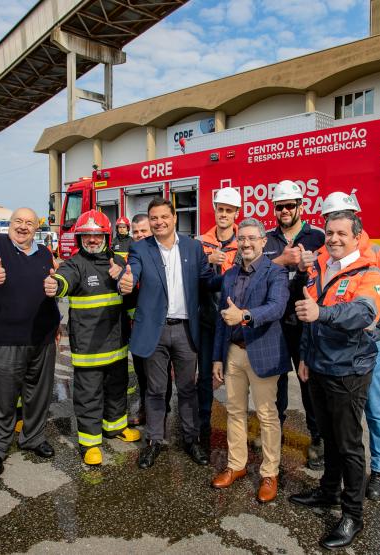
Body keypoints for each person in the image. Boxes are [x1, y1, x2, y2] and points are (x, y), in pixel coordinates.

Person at [289, 209, 380, 549]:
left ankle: (353, 516)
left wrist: (323, 313)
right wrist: (304, 356)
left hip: (348, 371)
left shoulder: (370, 271)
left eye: (341, 233)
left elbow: (362, 312)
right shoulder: (320, 267)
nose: (333, 238)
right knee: (328, 437)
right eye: (329, 232)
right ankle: (328, 492)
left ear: (357, 236)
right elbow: (306, 314)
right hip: (317, 367)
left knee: (348, 446)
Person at [319, 191, 380, 501]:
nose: (334, 229)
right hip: (335, 350)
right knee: (342, 418)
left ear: (355, 219)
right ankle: (341, 475)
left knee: (374, 407)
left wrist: (375, 329)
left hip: (368, 345)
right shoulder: (324, 255)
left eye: (343, 216)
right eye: (330, 219)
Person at [118, 197, 217, 469]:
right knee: (156, 390)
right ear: (149, 222)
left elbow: (206, 280)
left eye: (164, 217)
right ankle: (153, 441)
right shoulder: (140, 248)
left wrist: (231, 274)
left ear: (174, 218)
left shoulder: (193, 247)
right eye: (153, 218)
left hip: (186, 330)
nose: (159, 222)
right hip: (155, 331)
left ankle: (191, 439)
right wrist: (125, 281)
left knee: (187, 389)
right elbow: (131, 274)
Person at [0, 208, 60, 477]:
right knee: (2, 398)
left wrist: (56, 322)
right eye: (18, 221)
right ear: (10, 224)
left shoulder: (43, 253)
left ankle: (33, 437)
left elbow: (49, 292)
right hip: (4, 340)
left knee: (38, 395)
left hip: (41, 339)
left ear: (36, 228)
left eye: (29, 223)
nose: (23, 227)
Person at [43, 210, 141, 465]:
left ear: (106, 237)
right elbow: (65, 280)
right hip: (88, 347)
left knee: (117, 389)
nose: (92, 240)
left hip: (117, 343)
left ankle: (114, 427)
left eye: (97, 235)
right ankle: (90, 443)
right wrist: (56, 285)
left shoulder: (118, 261)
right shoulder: (75, 264)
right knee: (89, 395)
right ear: (80, 238)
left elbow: (129, 297)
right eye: (86, 235)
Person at [210, 218, 289, 503]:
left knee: (267, 416)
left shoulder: (275, 272)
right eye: (241, 238)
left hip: (263, 352)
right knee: (234, 412)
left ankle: (270, 472)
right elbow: (222, 320)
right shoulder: (230, 275)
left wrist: (244, 315)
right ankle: (237, 465)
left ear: (263, 241)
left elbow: (276, 308)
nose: (245, 243)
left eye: (251, 238)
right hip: (233, 353)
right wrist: (217, 358)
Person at [262, 180, 325, 468]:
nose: (285, 210)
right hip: (276, 322)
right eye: (280, 206)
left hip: (304, 321)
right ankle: (273, 433)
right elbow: (256, 272)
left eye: (290, 205)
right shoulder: (267, 239)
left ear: (301, 206)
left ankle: (317, 438)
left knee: (308, 381)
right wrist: (281, 260)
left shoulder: (317, 237)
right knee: (276, 383)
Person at [197, 187, 241, 442]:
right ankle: (203, 425)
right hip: (207, 321)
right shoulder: (201, 242)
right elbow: (192, 278)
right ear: (214, 209)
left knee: (235, 379)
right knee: (204, 376)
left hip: (234, 325)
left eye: (228, 210)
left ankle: (236, 431)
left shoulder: (243, 242)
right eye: (220, 209)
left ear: (236, 213)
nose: (223, 214)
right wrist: (207, 260)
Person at [126, 213, 171, 427]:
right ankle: (147, 409)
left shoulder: (161, 255)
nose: (139, 235)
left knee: (161, 375)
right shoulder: (131, 256)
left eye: (143, 230)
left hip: (159, 327)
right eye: (135, 232)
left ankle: (162, 410)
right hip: (138, 327)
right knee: (142, 373)